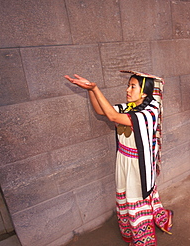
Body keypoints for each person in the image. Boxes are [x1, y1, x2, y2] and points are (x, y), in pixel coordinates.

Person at [64, 70, 173, 245]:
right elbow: (101, 110)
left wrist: (96, 87)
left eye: (132, 86)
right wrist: (90, 90)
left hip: (138, 165)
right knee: (125, 197)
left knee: (136, 200)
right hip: (123, 160)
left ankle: (143, 240)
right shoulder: (130, 107)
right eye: (128, 86)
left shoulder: (150, 111)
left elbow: (113, 116)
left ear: (144, 92)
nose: (127, 90)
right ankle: (132, 234)